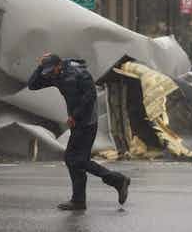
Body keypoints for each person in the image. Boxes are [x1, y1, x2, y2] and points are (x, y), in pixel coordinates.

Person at [28, 53, 131, 211]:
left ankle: (116, 180)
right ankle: (80, 200)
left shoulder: (79, 73)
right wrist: (40, 66)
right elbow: (33, 85)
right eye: (47, 71)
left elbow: (90, 97)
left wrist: (75, 116)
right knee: (74, 160)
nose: (49, 74)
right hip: (77, 122)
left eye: (51, 70)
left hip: (88, 121)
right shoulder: (55, 74)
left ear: (59, 65)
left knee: (75, 159)